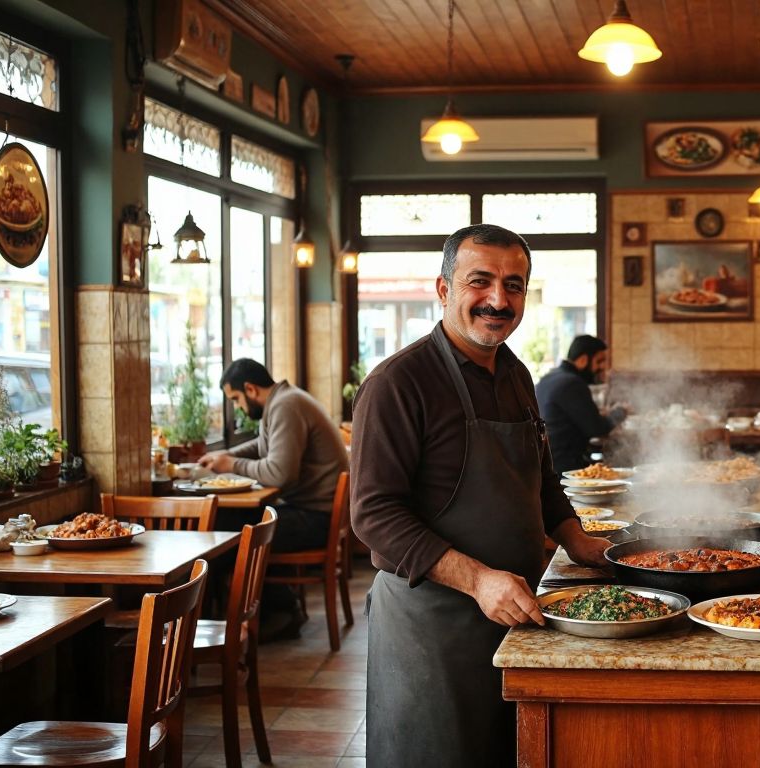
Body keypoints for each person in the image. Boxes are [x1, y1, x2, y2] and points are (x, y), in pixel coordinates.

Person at [349, 224, 609, 768]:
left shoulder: (514, 372)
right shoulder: (398, 382)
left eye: (513, 285)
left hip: (514, 609)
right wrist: (477, 579)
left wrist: (576, 539)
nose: (498, 300)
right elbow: (373, 515)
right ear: (444, 289)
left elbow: (540, 477)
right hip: (432, 627)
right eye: (480, 281)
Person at [199, 359, 349, 636]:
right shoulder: (282, 401)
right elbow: (264, 445)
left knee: (238, 539)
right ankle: (268, 614)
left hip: (316, 518)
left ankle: (275, 616)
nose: (239, 408)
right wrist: (228, 455)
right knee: (233, 526)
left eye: (236, 399)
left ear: (250, 389)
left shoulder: (286, 406)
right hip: (311, 511)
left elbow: (280, 474)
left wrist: (230, 466)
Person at [536, 334, 626, 474]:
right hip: (564, 469)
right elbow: (597, 429)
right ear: (584, 360)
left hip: (545, 464)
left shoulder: (550, 377)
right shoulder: (572, 383)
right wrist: (621, 412)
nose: (602, 367)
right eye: (599, 361)